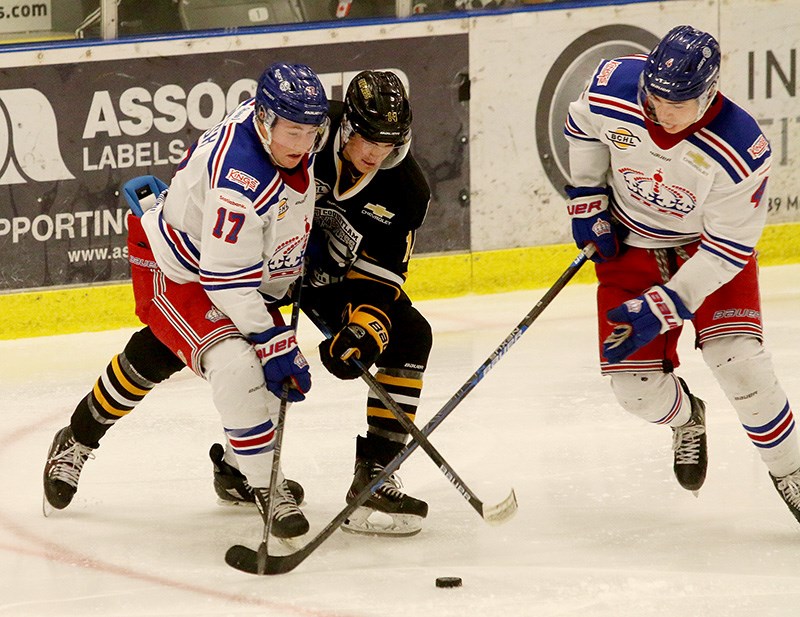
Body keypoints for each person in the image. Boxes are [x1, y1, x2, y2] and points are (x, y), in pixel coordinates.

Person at [44, 69, 433, 537]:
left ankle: (372, 473)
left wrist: (364, 328)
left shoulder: (396, 184)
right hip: (220, 267)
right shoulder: (294, 136)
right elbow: (226, 271)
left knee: (407, 334)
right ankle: (81, 436)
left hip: (287, 269)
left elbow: (383, 271)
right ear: (344, 125)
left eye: (389, 144)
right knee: (180, 351)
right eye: (367, 139)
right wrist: (272, 339)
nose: (374, 154)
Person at [563, 25, 800, 523]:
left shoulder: (740, 147)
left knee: (740, 366)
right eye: (653, 97)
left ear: (708, 93)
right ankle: (687, 418)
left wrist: (667, 305)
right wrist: (587, 197)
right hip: (631, 246)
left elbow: (730, 247)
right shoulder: (615, 85)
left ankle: (791, 470)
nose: (658, 113)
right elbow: (581, 122)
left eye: (675, 105)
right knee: (636, 392)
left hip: (706, 253)